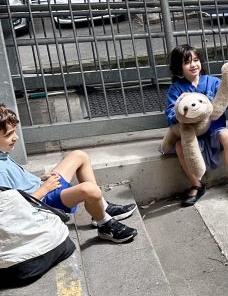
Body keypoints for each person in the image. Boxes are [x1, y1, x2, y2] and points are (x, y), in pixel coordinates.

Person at [0, 105, 136, 245]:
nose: (15, 137)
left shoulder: (2, 154)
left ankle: (101, 207)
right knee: (90, 190)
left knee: (79, 156)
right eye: (8, 134)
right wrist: (45, 188)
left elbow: (18, 182)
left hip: (44, 188)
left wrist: (40, 179)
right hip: (43, 202)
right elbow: (14, 209)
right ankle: (104, 224)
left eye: (14, 131)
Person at [165, 45, 228, 206]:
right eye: (187, 62)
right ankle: (196, 185)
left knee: (227, 135)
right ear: (179, 67)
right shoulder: (176, 88)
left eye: (196, 60)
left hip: (214, 130)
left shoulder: (213, 82)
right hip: (191, 135)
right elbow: (171, 113)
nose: (193, 65)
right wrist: (183, 116)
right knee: (179, 146)